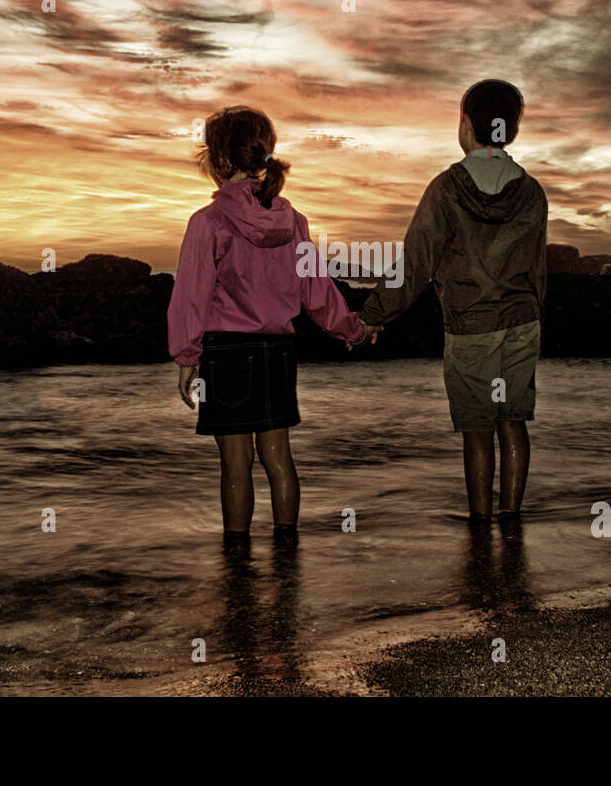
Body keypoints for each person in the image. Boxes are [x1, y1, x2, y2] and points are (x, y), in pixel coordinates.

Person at [168, 105, 381, 537]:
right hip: (277, 352)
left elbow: (190, 296)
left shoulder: (207, 223)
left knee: (235, 465)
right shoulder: (294, 222)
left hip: (226, 353)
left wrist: (186, 355)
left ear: (216, 159)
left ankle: (238, 564)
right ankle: (287, 558)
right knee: (279, 458)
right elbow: (317, 291)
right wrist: (353, 330)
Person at [359, 80, 546, 519]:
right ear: (512, 130)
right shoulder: (532, 191)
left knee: (477, 431)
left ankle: (481, 525)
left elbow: (415, 264)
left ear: (465, 125)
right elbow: (536, 269)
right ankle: (512, 520)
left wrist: (372, 314)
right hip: (522, 323)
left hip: (471, 328)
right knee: (513, 421)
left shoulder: (445, 189)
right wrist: (538, 317)